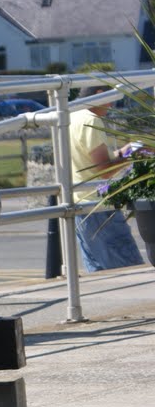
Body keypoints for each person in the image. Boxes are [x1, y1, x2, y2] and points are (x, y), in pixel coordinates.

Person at [69, 86, 144, 272]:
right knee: (130, 270)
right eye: (110, 98)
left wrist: (122, 152)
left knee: (100, 273)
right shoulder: (91, 121)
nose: (111, 105)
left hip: (79, 206)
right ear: (99, 94)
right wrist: (133, 156)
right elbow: (104, 169)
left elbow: (91, 159)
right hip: (99, 207)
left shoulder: (71, 118)